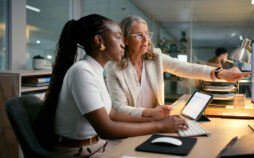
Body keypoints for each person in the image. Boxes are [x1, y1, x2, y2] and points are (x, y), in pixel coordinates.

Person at [34, 14, 187, 157]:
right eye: (118, 37)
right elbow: (107, 129)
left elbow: (112, 114)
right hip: (79, 152)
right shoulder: (82, 71)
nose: (123, 44)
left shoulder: (95, 70)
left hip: (97, 146)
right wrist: (160, 126)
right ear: (99, 41)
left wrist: (156, 121)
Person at [105, 15, 250, 118]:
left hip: (154, 124)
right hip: (129, 129)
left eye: (147, 34)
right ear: (125, 40)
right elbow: (119, 109)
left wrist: (220, 73)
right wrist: (149, 112)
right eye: (138, 35)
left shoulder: (155, 57)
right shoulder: (113, 67)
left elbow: (187, 68)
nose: (146, 40)